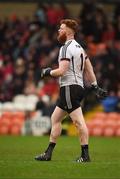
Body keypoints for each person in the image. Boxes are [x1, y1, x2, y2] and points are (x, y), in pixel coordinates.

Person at [35, 19, 107, 162]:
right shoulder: (80, 48)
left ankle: (85, 156)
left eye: (61, 28)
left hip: (69, 87)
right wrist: (95, 86)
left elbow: (62, 71)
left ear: (68, 31)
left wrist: (47, 72)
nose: (59, 31)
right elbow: (89, 69)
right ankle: (48, 153)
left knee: (79, 122)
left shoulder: (65, 48)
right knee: (55, 118)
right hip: (77, 87)